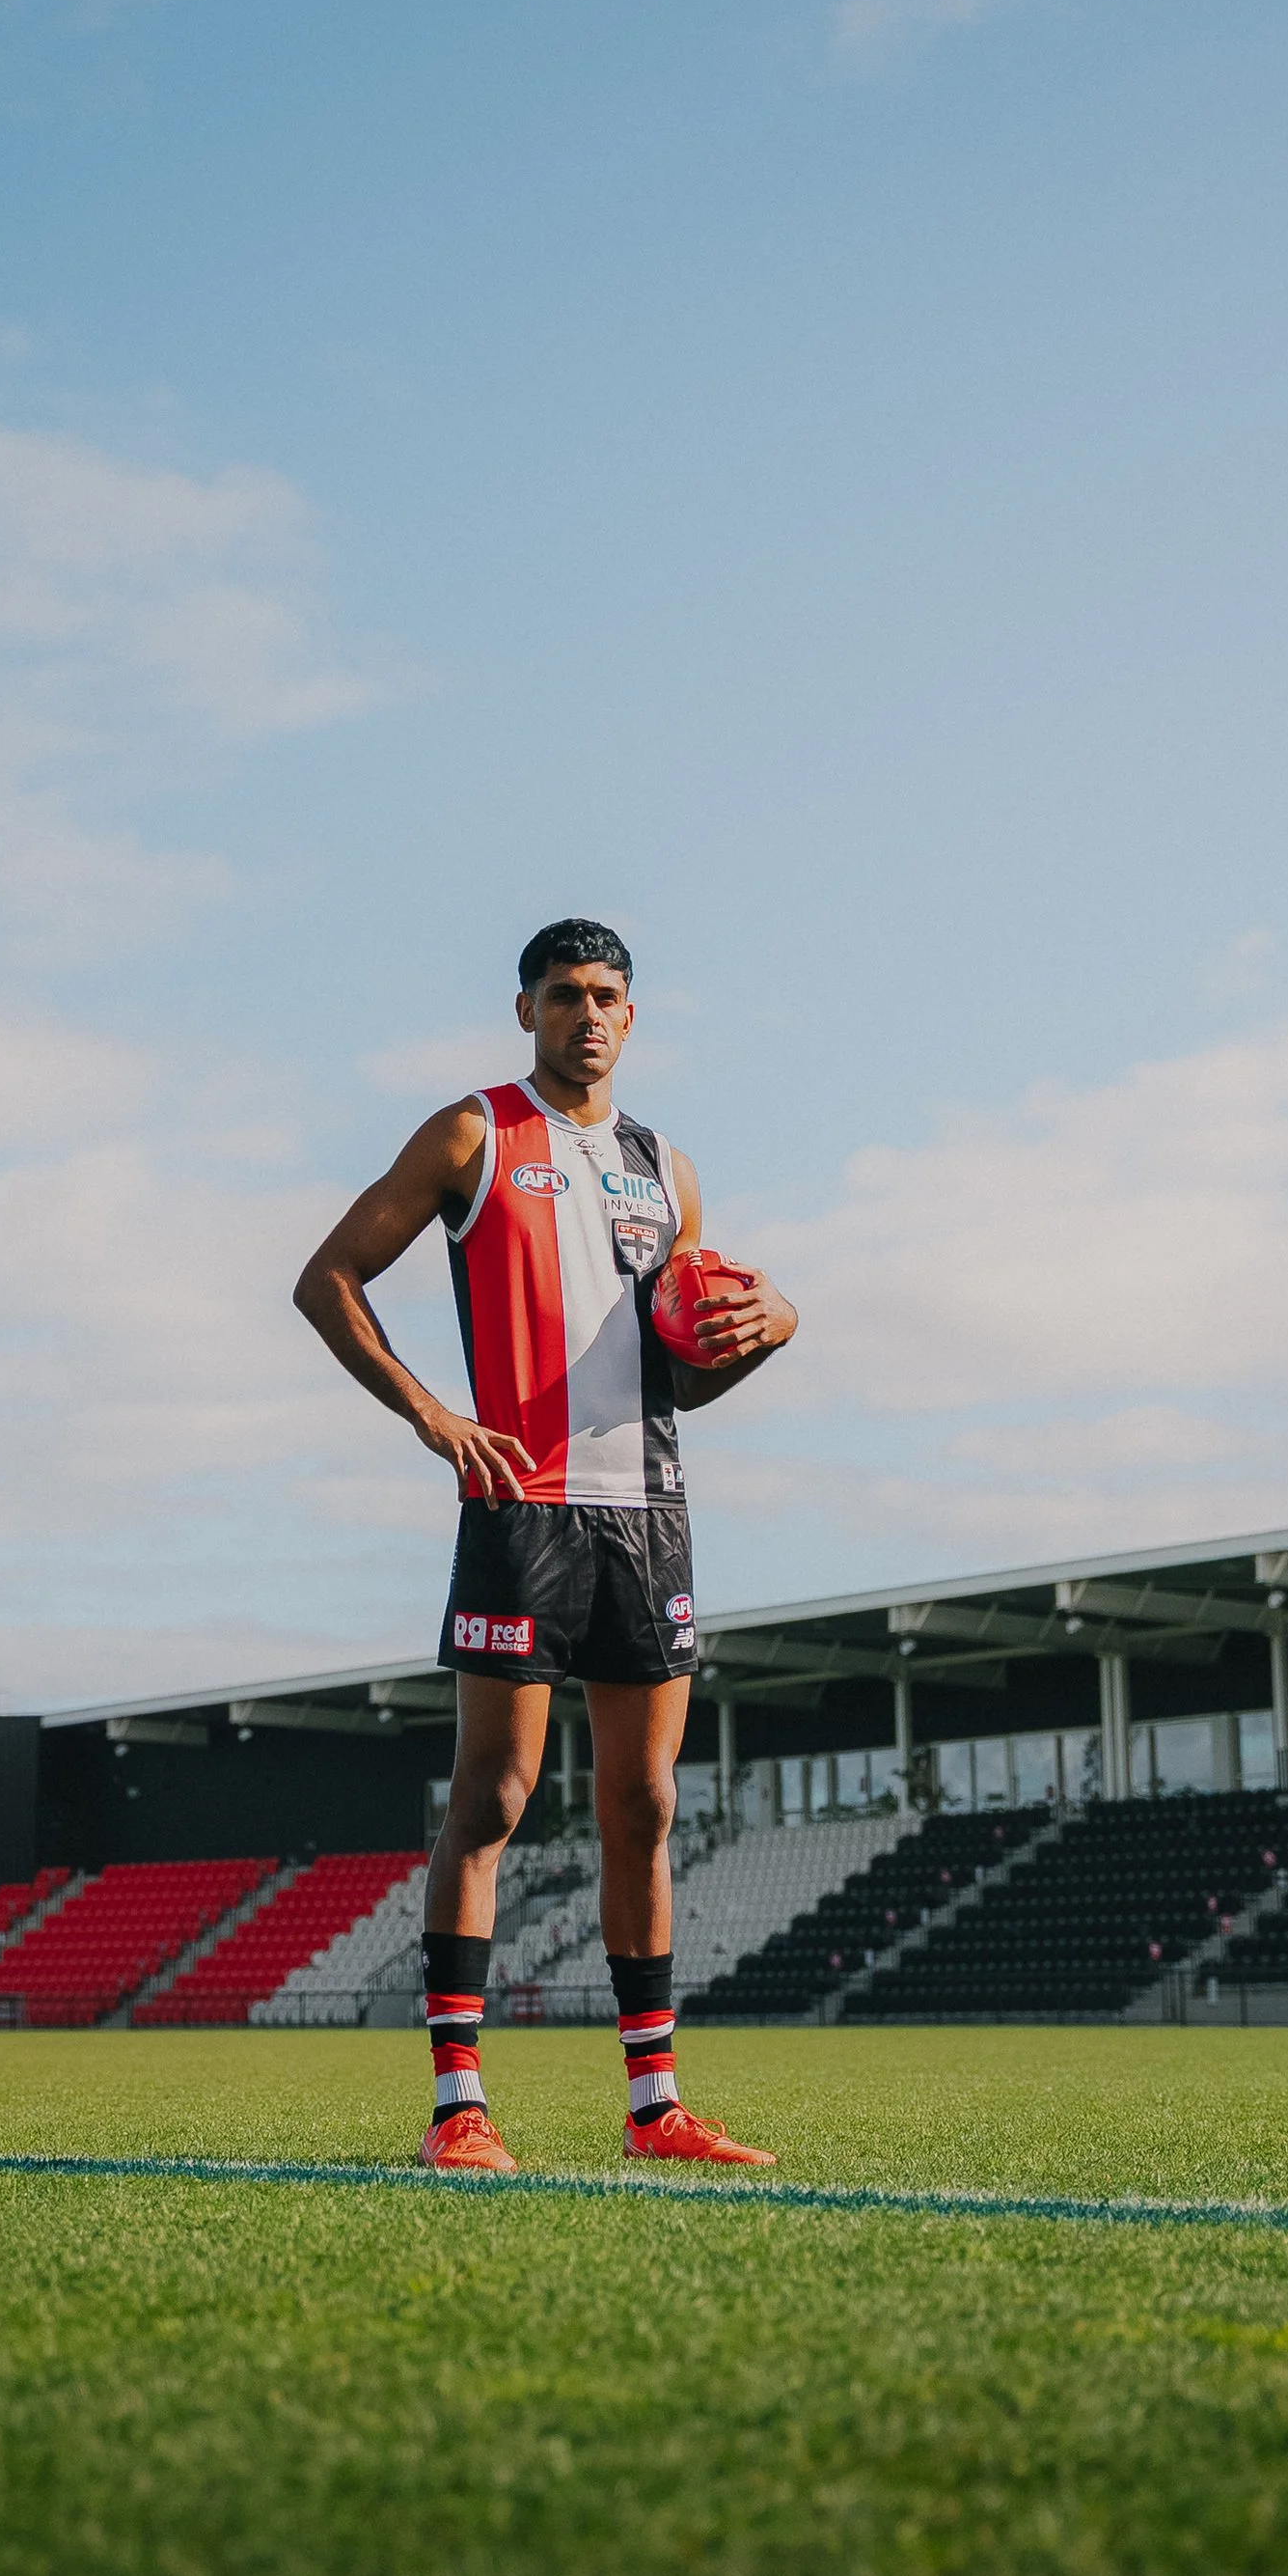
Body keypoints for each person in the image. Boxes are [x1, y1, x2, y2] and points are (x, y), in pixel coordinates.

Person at [293, 919, 798, 2173]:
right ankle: (459, 2106)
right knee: (495, 1797)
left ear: (634, 1017)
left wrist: (773, 1325)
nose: (589, 1013)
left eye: (609, 994)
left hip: (650, 1515)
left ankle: (655, 2107)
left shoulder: (668, 1171)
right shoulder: (473, 1133)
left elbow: (684, 1372)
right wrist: (432, 1415)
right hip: (521, 1505)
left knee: (645, 1803)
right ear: (523, 1009)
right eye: (565, 993)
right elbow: (330, 1277)